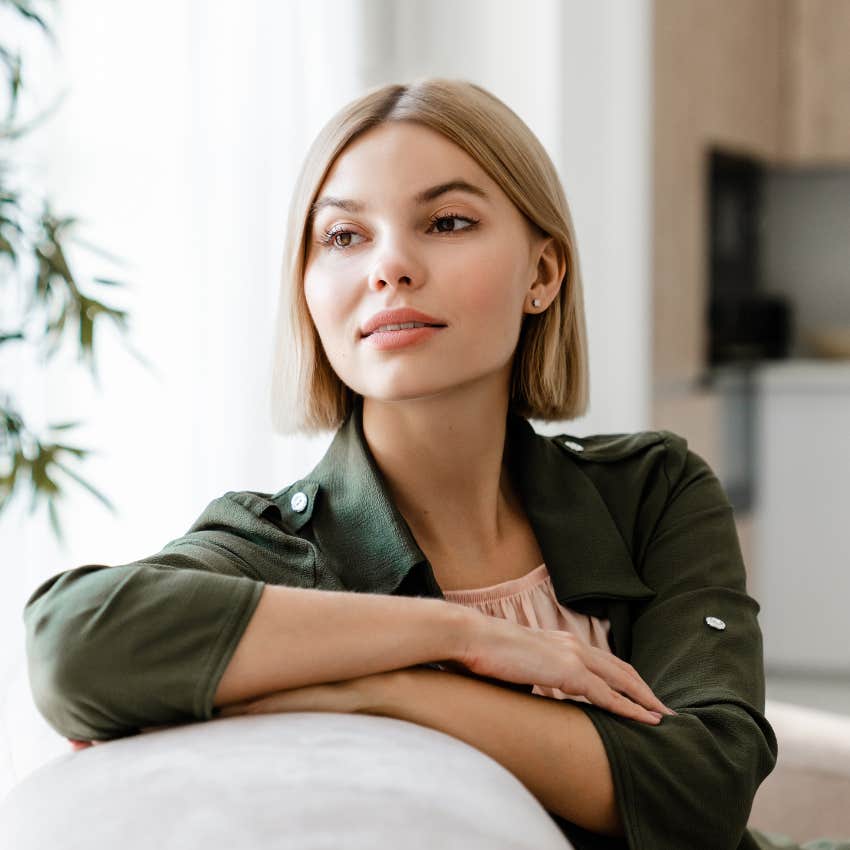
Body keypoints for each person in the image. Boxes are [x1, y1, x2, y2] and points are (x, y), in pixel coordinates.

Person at [25, 77, 791, 850]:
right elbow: (69, 646)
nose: (388, 267)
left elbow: (705, 793)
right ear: (308, 288)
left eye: (447, 221)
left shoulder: (653, 489)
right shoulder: (277, 550)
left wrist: (377, 691)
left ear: (543, 275)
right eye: (343, 238)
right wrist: (462, 638)